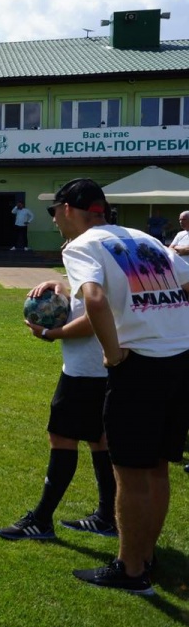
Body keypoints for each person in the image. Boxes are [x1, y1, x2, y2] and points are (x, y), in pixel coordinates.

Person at [50, 178, 189, 595]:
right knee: (159, 465)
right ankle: (145, 555)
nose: (55, 220)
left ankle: (130, 572)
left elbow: (92, 298)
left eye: (53, 212)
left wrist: (112, 354)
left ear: (70, 210)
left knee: (129, 471)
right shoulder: (144, 238)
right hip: (180, 359)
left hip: (140, 365)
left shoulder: (82, 245)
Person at [0, 280, 116, 541]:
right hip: (101, 366)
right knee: (99, 440)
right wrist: (60, 284)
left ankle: (41, 520)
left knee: (62, 437)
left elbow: (93, 317)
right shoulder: (110, 247)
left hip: (86, 370)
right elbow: (90, 296)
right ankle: (108, 517)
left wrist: (47, 333)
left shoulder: (87, 247)